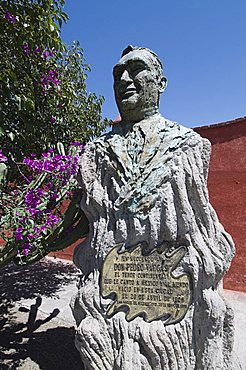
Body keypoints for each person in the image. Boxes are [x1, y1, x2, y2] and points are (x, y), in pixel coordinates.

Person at [72, 46, 237, 370]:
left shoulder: (189, 145)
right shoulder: (96, 153)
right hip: (114, 291)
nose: (124, 79)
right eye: (117, 73)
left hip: (174, 306)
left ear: (161, 83)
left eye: (136, 69)